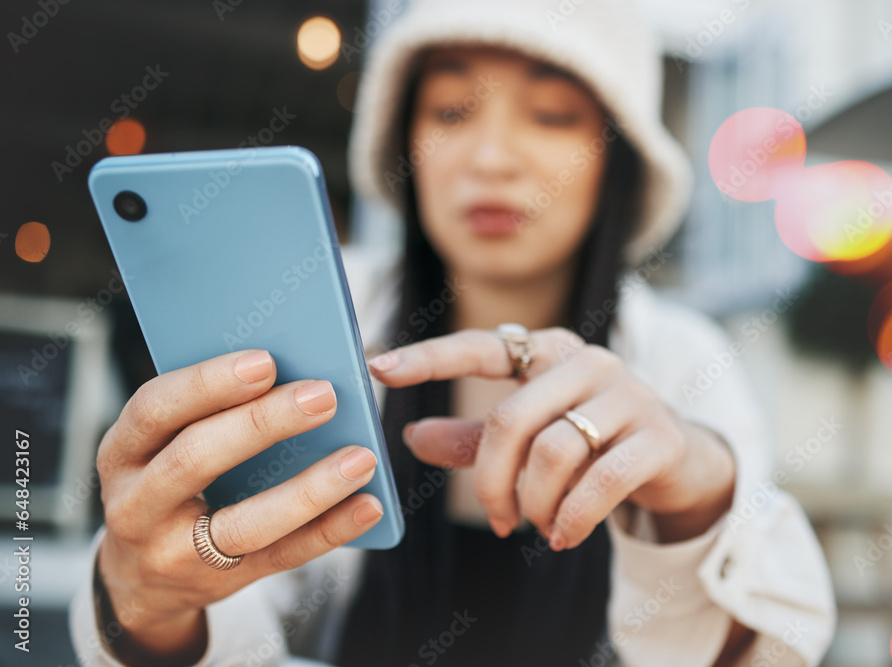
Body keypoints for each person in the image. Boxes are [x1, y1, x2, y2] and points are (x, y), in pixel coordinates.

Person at [70, 0, 837, 665]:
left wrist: (697, 496)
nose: (493, 158)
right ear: (405, 143)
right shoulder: (313, 316)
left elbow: (764, 648)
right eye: (449, 111)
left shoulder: (680, 357)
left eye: (552, 115)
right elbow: (242, 618)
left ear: (617, 157)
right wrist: (150, 600)